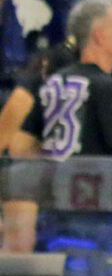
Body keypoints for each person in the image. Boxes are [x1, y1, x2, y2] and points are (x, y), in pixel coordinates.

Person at [6, 0, 112, 253]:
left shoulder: (54, 82)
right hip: (93, 213)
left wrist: (58, 156)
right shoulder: (106, 87)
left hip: (53, 213)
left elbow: (19, 148)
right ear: (100, 36)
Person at [0, 40, 75, 251]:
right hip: (19, 173)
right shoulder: (27, 94)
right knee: (20, 243)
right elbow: (13, 147)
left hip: (49, 176)